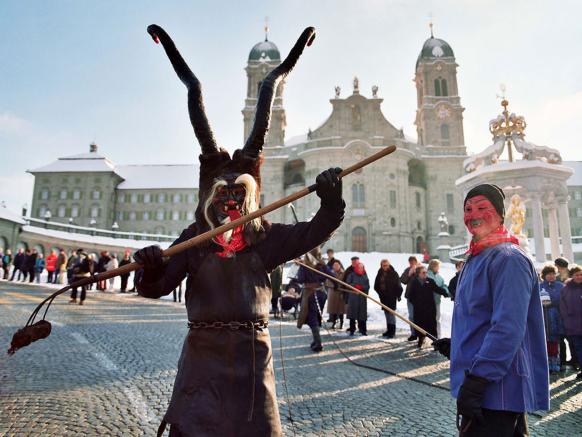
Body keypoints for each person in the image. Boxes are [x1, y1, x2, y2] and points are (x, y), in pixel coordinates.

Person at [134, 23, 336, 437]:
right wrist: (152, 266)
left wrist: (330, 199)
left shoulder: (265, 238)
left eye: (236, 194)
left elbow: (315, 231)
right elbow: (153, 288)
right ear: (211, 196)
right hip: (202, 360)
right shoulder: (197, 239)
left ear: (248, 197)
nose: (229, 202)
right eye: (222, 194)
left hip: (251, 358)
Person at [433, 183, 549, 435]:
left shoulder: (508, 259)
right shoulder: (477, 257)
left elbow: (507, 329)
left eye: (482, 207)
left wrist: (477, 381)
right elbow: (481, 319)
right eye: (468, 209)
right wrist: (458, 345)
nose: (473, 215)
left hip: (498, 388)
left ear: (499, 214)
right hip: (487, 387)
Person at [296, 248, 331, 352]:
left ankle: (318, 343)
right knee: (316, 316)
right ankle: (316, 341)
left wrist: (302, 269)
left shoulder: (305, 265)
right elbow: (331, 275)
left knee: (312, 318)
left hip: (310, 294)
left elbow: (300, 279)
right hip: (321, 294)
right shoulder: (322, 264)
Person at [408, 265, 445, 348]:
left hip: (430, 308)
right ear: (418, 274)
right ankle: (421, 339)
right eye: (423, 273)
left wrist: (446, 293)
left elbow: (437, 289)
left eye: (426, 272)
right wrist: (416, 303)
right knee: (420, 325)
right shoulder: (414, 282)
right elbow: (410, 296)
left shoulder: (430, 281)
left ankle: (435, 343)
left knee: (432, 325)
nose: (425, 274)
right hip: (419, 309)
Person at [539, 264, 565, 373]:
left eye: (553, 274)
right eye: (549, 274)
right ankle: (547, 366)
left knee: (559, 340)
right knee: (545, 341)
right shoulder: (539, 286)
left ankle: (559, 364)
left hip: (558, 315)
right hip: (543, 316)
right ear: (544, 275)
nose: (552, 276)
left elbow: (563, 300)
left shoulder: (560, 286)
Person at [560, 265, 582, 379]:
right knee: (578, 348)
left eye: (581, 274)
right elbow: (563, 309)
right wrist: (567, 323)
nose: (579, 277)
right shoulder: (566, 289)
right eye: (576, 275)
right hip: (574, 326)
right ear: (572, 276)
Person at [374, 259, 402, 338]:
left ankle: (392, 331)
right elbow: (376, 285)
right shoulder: (380, 273)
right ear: (381, 266)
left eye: (386, 265)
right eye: (383, 265)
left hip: (392, 297)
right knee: (386, 313)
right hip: (383, 297)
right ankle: (388, 330)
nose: (385, 267)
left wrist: (398, 295)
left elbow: (398, 286)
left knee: (391, 314)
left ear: (389, 265)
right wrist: (380, 293)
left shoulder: (394, 273)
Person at [346, 261, 369, 336]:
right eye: (359, 268)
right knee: (353, 313)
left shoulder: (365, 275)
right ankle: (352, 329)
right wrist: (355, 286)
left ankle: (363, 330)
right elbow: (347, 284)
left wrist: (362, 287)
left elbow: (367, 286)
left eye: (362, 268)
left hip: (362, 298)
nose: (360, 269)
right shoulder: (351, 275)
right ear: (356, 268)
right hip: (353, 297)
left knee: (362, 314)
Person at [427, 259, 449, 338]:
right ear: (433, 266)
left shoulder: (439, 277)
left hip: (437, 301)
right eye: (438, 266)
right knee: (428, 320)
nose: (439, 268)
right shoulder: (427, 275)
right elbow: (435, 287)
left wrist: (446, 291)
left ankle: (437, 337)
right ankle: (427, 336)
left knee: (437, 320)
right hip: (428, 302)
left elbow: (444, 285)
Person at [400, 256, 419, 341]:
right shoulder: (407, 270)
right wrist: (409, 274)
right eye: (410, 262)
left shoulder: (421, 269)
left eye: (413, 262)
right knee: (411, 316)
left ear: (416, 261)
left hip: (419, 297)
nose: (412, 263)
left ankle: (420, 335)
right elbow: (403, 280)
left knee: (420, 316)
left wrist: (416, 272)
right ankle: (413, 334)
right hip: (410, 296)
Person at [327, 260, 347, 329]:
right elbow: (327, 282)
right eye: (334, 265)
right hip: (333, 293)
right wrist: (333, 286)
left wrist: (340, 286)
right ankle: (334, 323)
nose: (335, 266)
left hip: (341, 293)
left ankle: (341, 322)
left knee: (341, 309)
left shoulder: (343, 273)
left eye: (337, 265)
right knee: (333, 309)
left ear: (340, 265)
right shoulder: (330, 273)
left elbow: (345, 282)